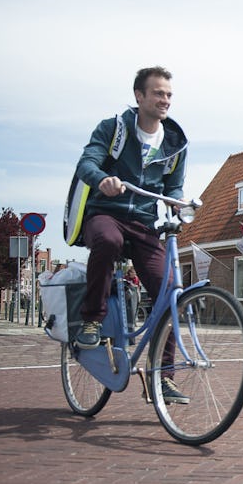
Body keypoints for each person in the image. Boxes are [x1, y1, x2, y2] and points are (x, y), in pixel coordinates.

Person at [72, 66, 190, 403]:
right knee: (108, 241)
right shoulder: (114, 129)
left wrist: (179, 203)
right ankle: (92, 321)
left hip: (142, 223)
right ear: (139, 96)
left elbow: (172, 186)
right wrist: (102, 180)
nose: (165, 99)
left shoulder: (175, 143)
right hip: (105, 213)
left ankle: (163, 379)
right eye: (158, 93)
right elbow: (87, 163)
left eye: (168, 94)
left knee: (170, 293)